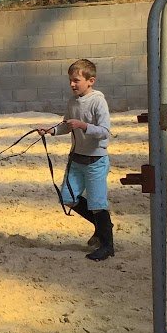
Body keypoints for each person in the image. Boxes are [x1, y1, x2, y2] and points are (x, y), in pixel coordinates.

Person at [37, 59, 114, 261]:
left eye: (76, 80)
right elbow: (66, 125)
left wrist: (83, 125)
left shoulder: (98, 101)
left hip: (95, 160)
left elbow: (104, 131)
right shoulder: (72, 102)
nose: (72, 84)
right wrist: (51, 131)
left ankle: (107, 245)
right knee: (68, 197)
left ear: (91, 81)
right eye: (70, 80)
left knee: (97, 203)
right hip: (77, 159)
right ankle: (101, 225)